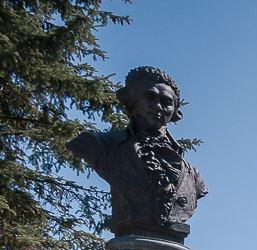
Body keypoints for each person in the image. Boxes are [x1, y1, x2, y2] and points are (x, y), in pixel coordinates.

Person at [67, 66, 207, 240]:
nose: (158, 106)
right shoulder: (99, 145)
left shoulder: (192, 175)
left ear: (175, 111)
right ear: (132, 100)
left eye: (166, 101)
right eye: (149, 96)